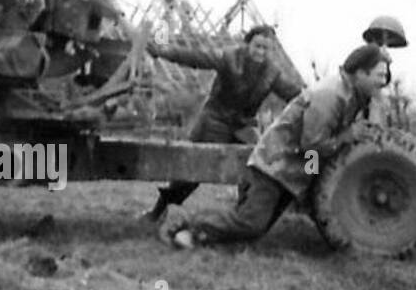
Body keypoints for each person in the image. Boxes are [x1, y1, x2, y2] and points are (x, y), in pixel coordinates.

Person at [157, 43, 392, 249]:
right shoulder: (331, 96)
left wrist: (308, 181)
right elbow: (311, 146)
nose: (383, 82)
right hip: (274, 165)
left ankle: (198, 234)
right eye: (379, 75)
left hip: (290, 169)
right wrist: (347, 136)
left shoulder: (353, 95)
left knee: (254, 228)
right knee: (250, 223)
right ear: (360, 73)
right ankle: (183, 223)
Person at [140, 24, 306, 222]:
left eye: (265, 48)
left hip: (244, 126)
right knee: (194, 167)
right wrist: (164, 51)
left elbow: (293, 93)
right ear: (247, 44)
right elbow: (197, 58)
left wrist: (315, 97)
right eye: (257, 46)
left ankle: (242, 217)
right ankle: (158, 211)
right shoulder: (229, 57)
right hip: (215, 119)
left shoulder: (272, 73)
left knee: (256, 166)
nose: (260, 52)